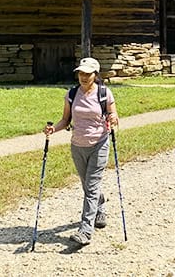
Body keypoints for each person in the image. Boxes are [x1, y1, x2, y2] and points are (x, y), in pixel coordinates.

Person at [44, 57, 119, 246]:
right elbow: (65, 120)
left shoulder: (104, 93)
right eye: (81, 73)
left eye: (88, 73)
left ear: (95, 75)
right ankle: (100, 206)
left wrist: (113, 119)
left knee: (91, 187)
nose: (84, 77)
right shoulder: (71, 94)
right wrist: (54, 129)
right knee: (87, 185)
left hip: (99, 144)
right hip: (77, 146)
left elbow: (113, 115)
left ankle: (85, 231)